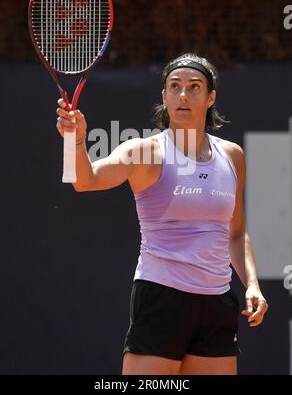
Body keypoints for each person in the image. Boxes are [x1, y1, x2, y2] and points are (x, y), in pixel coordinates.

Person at [56, 53, 269, 375]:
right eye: (174, 86)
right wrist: (75, 141)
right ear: (164, 95)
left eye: (194, 87)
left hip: (217, 303)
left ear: (211, 97)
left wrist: (251, 284)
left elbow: (235, 232)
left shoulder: (232, 156)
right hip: (162, 298)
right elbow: (84, 181)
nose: (183, 95)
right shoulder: (143, 151)